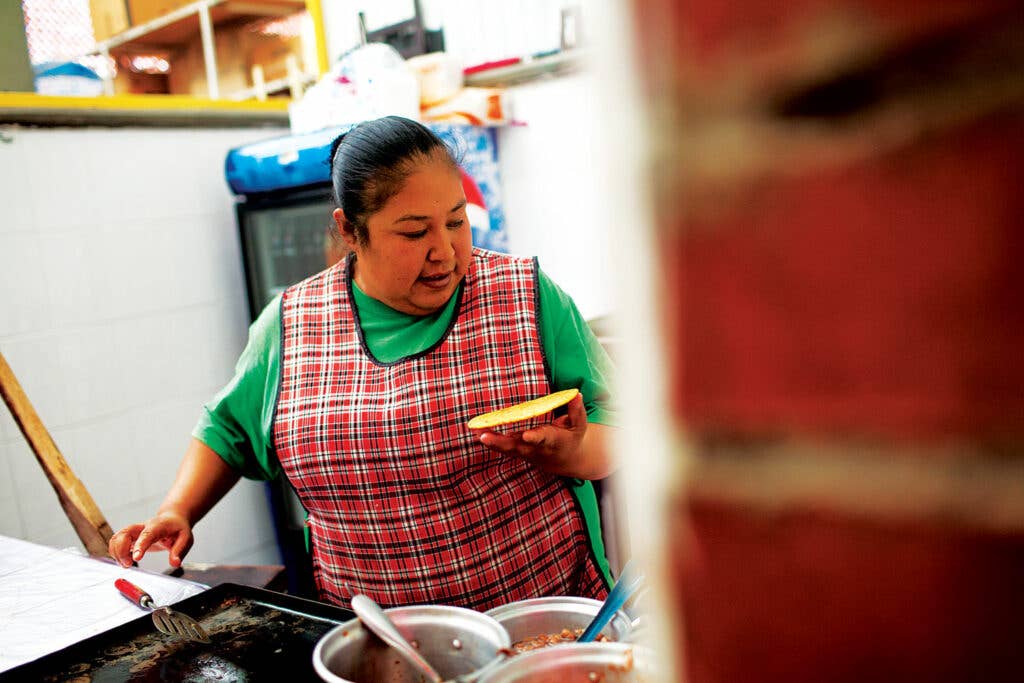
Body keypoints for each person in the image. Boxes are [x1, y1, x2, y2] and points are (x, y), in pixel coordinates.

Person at [109, 116, 618, 610]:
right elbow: (227, 430)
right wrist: (179, 510)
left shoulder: (524, 296)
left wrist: (574, 453)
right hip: (381, 644)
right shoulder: (291, 326)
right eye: (415, 232)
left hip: (545, 623)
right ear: (351, 231)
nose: (444, 250)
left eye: (456, 221)